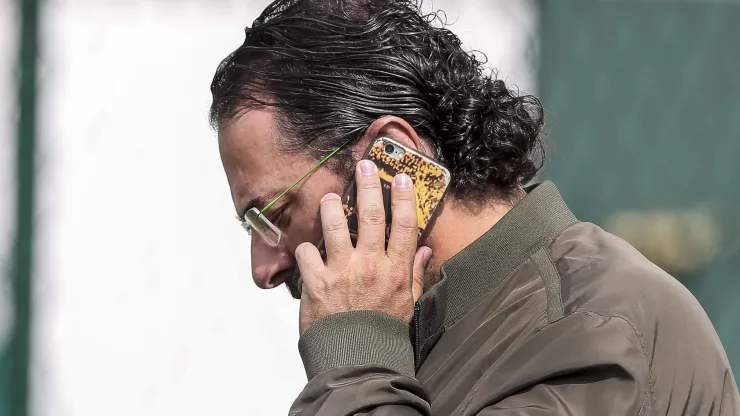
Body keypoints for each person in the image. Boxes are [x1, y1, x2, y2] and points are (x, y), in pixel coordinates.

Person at [209, 0, 740, 414]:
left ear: (393, 159)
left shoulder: (592, 339)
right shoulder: (430, 328)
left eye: (274, 214)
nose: (264, 268)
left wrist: (355, 356)